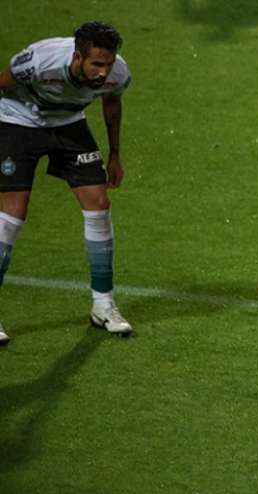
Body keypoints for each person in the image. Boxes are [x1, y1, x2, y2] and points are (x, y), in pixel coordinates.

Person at [0, 21, 133, 346]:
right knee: (13, 215)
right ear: (77, 57)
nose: (103, 72)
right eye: (96, 64)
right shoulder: (39, 60)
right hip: (18, 120)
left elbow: (111, 103)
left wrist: (114, 154)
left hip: (68, 124)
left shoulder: (118, 74)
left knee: (99, 205)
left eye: (108, 63)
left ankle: (103, 304)